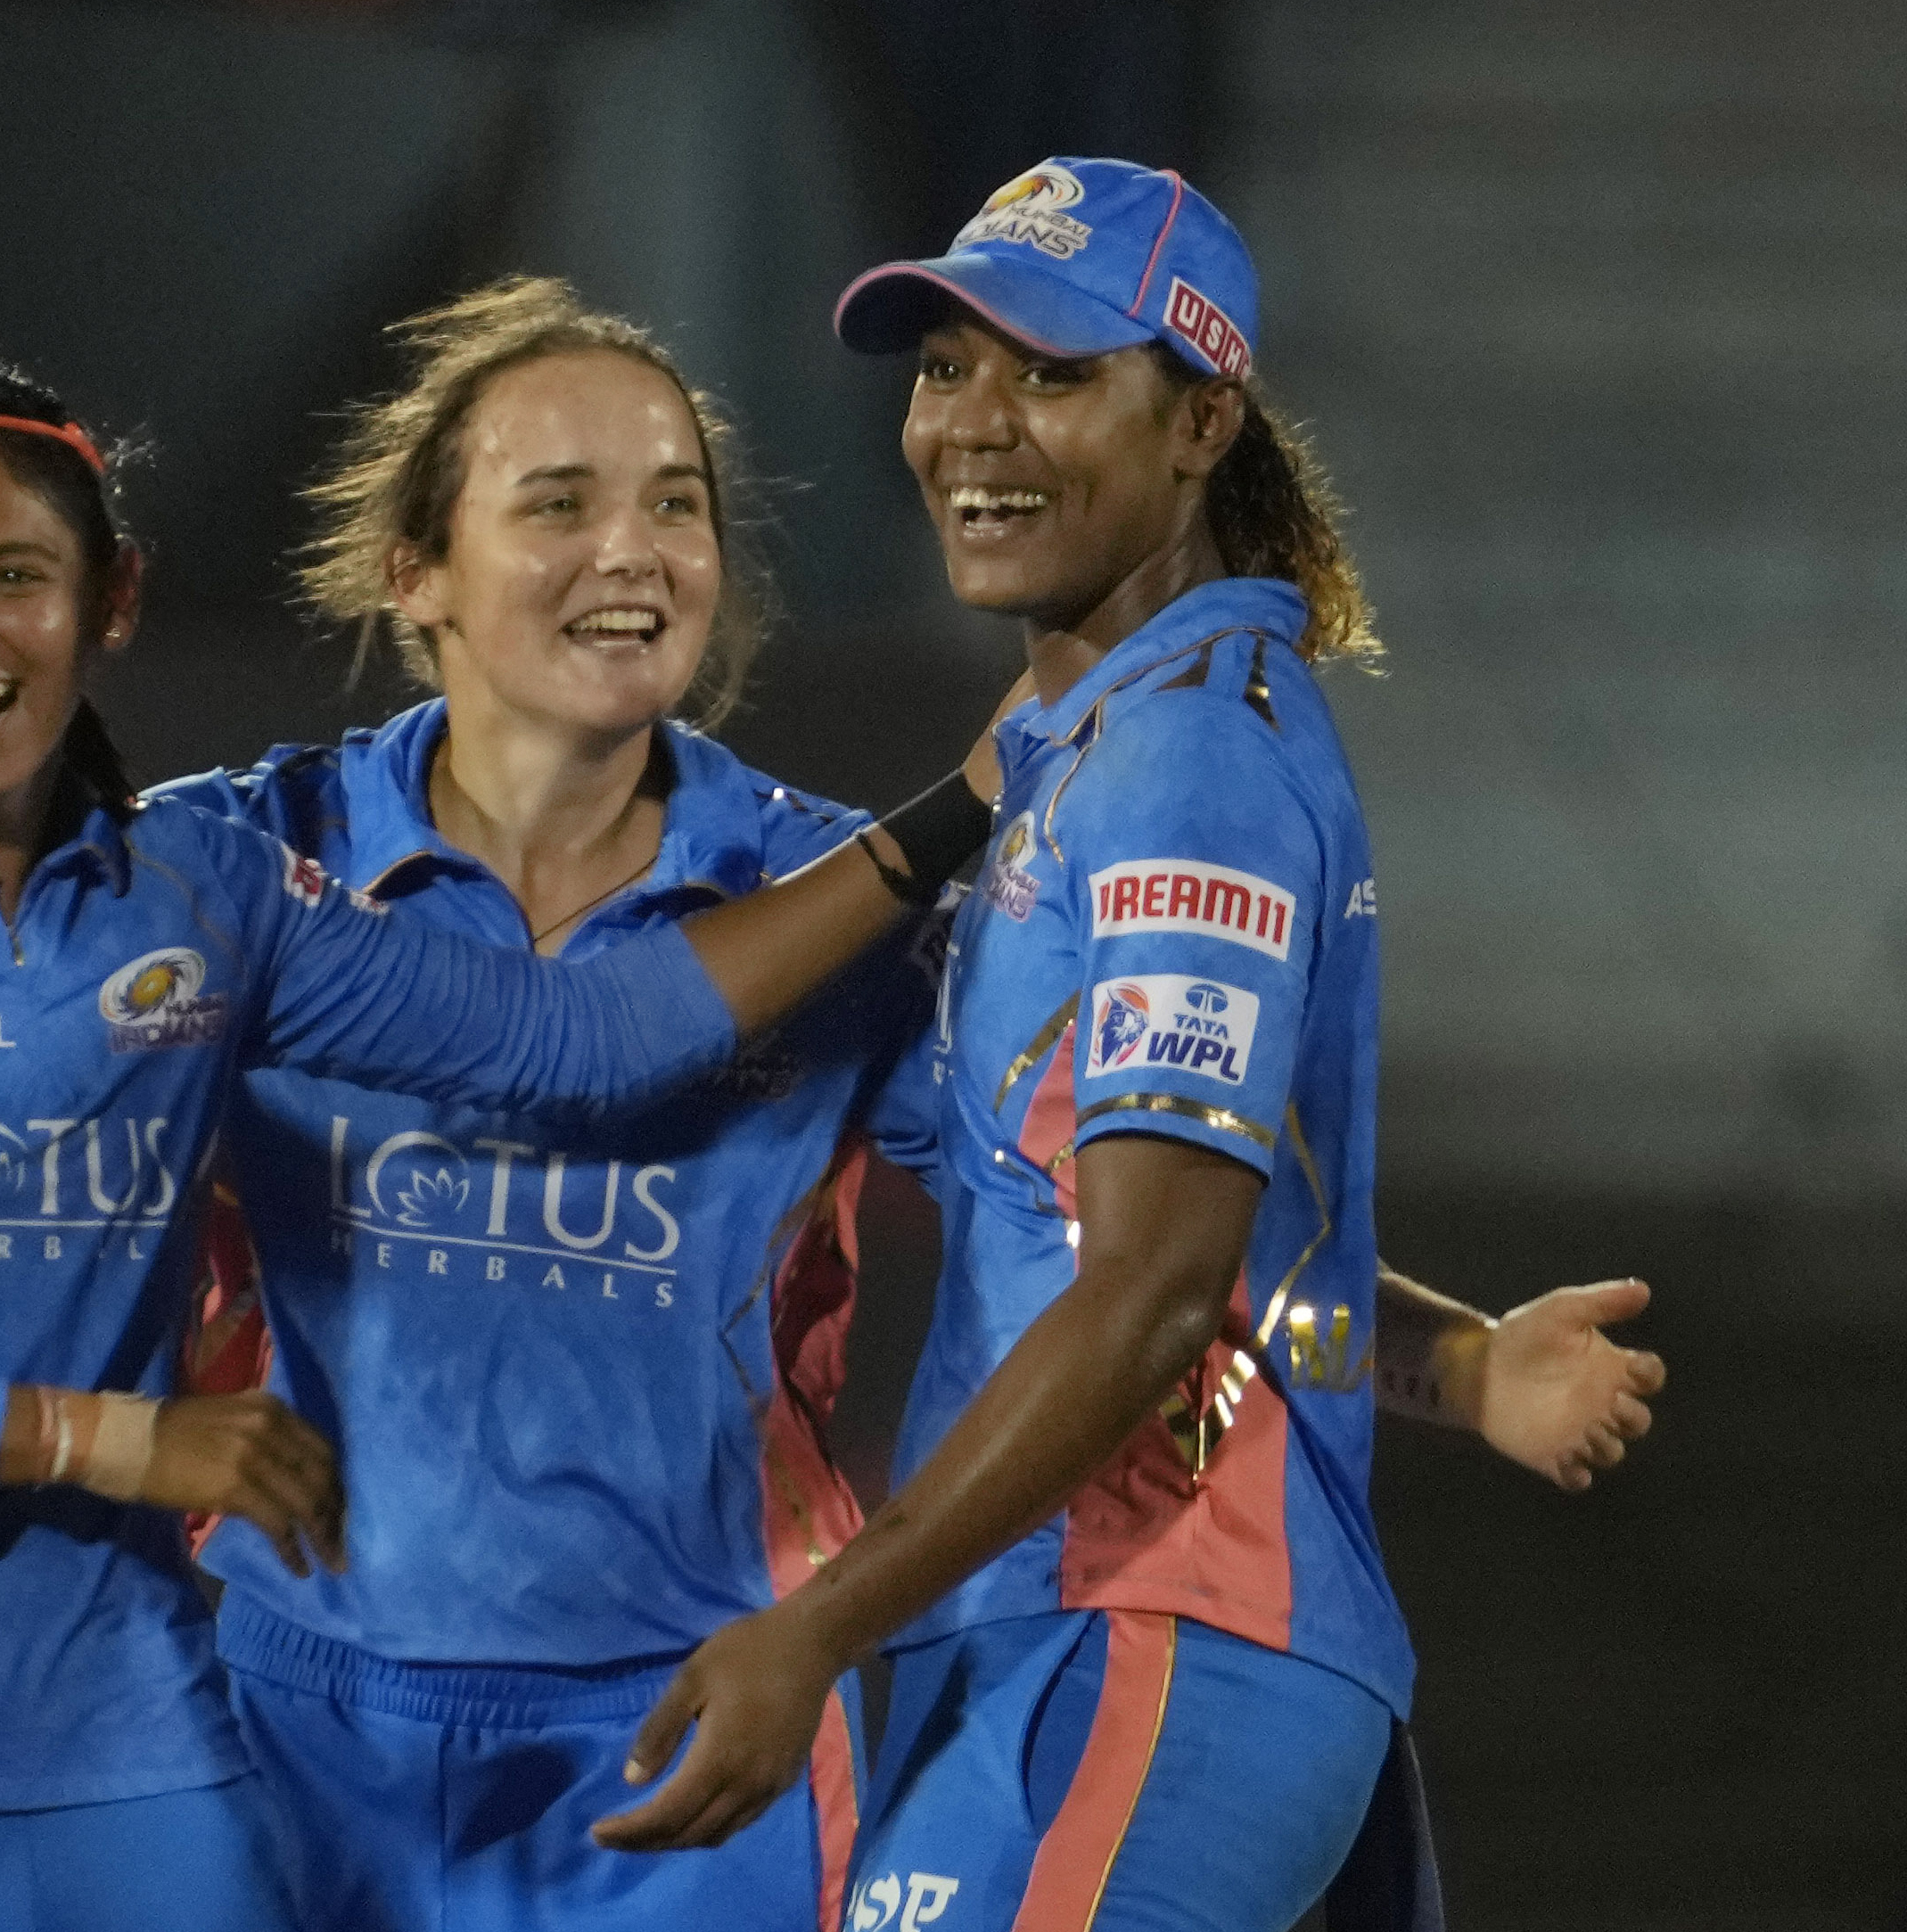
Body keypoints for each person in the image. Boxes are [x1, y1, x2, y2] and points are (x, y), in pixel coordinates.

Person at [0, 359, 998, 1932]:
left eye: (15, 577)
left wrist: (958, 812)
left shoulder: (209, 891)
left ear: (112, 597)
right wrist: (115, 1441)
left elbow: (579, 1042)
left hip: (234, 1736)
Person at [583, 160, 1665, 1932]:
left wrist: (819, 1622)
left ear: (1201, 421)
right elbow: (1190, 1239)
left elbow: (1154, 1291)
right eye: (946, 367)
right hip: (1084, 1637)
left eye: (1054, 373)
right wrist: (1453, 1366)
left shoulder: (1183, 765)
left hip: (1151, 1628)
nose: (971, 424)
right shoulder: (1095, 736)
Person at [150, 279, 939, 1932]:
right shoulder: (242, 858)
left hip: (693, 1738)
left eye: (675, 505)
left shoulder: (837, 904)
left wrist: (1432, 1355)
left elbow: (1129, 1216)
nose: (631, 552)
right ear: (414, 571)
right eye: (559, 504)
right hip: (290, 1728)